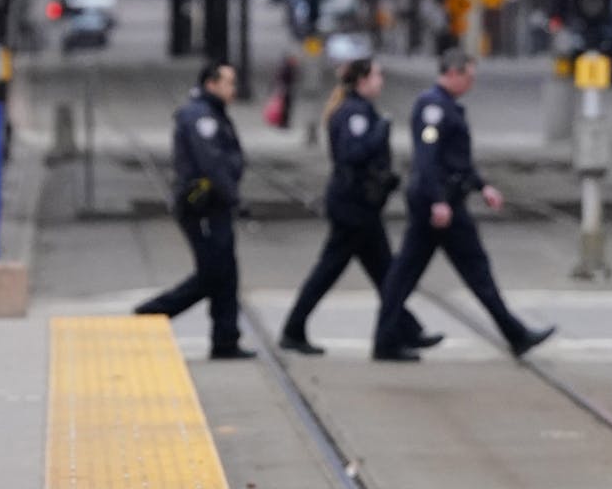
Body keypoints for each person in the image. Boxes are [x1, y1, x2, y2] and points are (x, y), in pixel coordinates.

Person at [372, 48, 556, 361]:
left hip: (443, 201)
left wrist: (482, 186)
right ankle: (515, 333)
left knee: (410, 273)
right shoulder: (433, 108)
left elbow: (457, 160)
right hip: (439, 205)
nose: (471, 83)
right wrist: (439, 202)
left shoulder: (447, 107)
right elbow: (428, 161)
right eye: (469, 76)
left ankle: (386, 339)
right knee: (468, 272)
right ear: (453, 73)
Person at [279, 58, 443, 355]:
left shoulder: (360, 110)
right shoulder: (354, 114)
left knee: (385, 273)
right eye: (377, 76)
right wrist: (380, 131)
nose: (381, 81)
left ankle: (405, 329)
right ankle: (295, 329)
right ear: (362, 81)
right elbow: (351, 154)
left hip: (359, 207)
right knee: (345, 272)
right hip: (353, 209)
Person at [135, 62, 256, 360]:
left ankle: (225, 338)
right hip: (202, 205)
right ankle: (154, 312)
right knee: (214, 271)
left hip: (214, 204)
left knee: (225, 270)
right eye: (229, 82)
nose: (233, 89)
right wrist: (234, 197)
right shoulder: (201, 117)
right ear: (211, 84)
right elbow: (212, 162)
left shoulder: (211, 112)